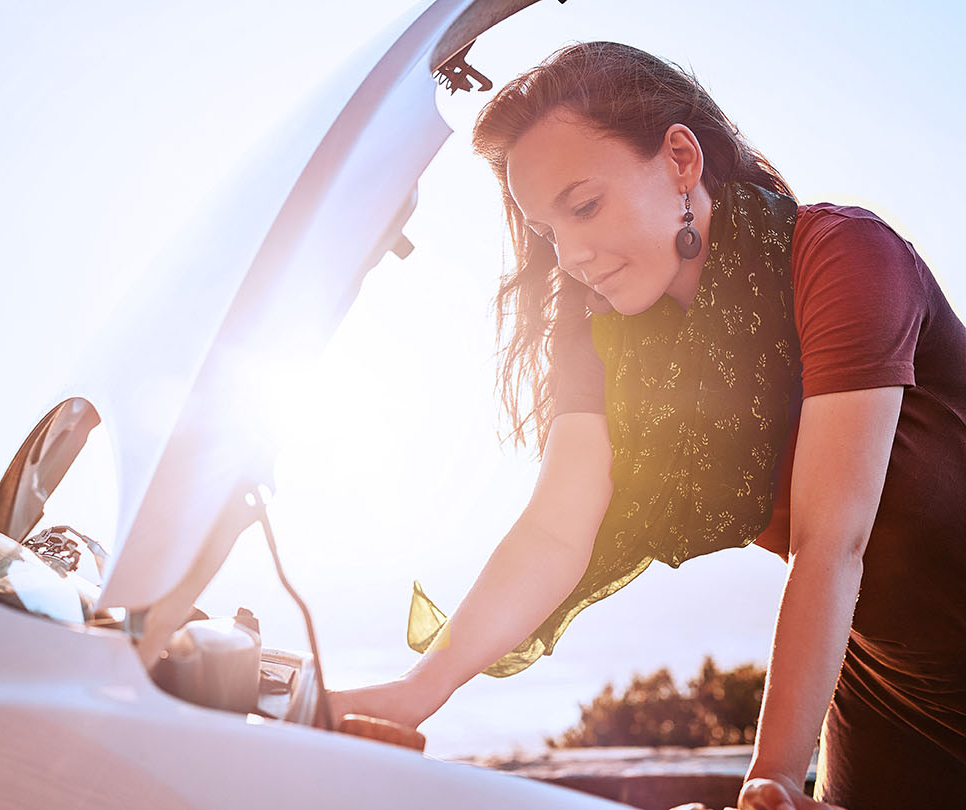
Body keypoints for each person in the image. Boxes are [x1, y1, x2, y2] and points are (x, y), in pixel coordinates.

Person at [327, 42, 966, 810]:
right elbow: (555, 533)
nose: (569, 256)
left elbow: (833, 543)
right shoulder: (603, 335)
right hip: (891, 692)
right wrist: (417, 690)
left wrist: (767, 777)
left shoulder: (845, 256)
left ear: (680, 160)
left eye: (584, 206)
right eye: (547, 230)